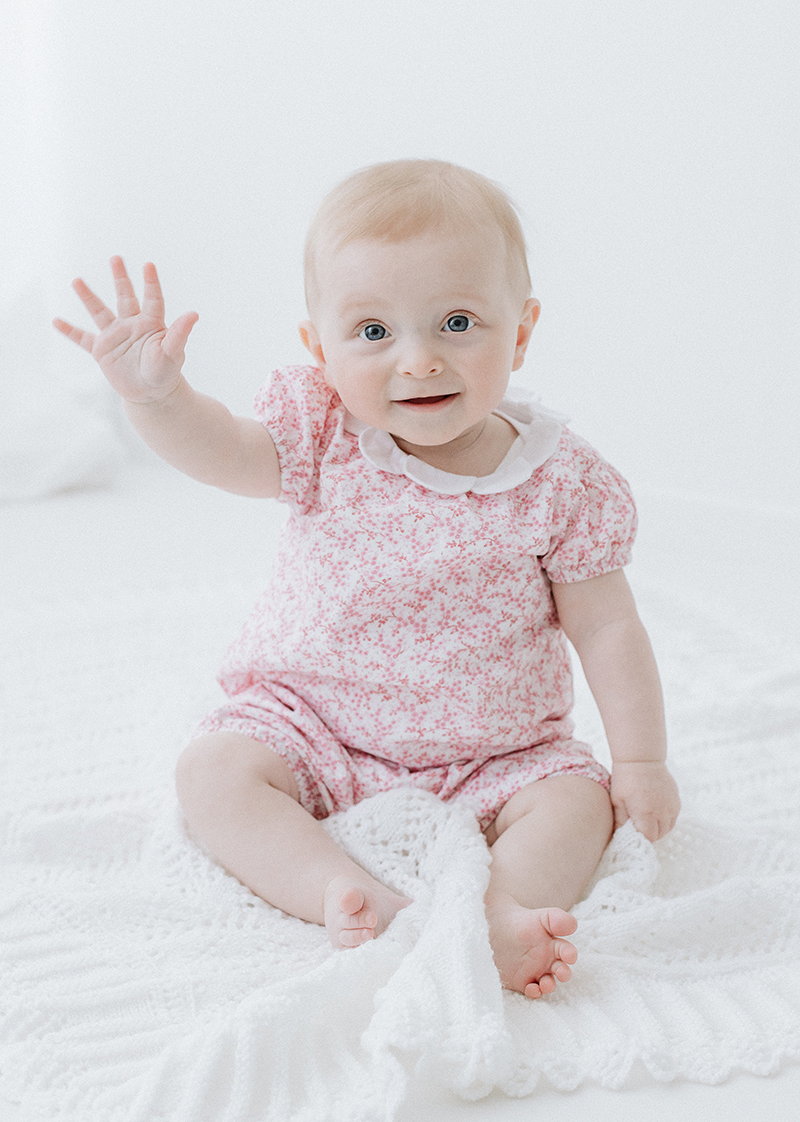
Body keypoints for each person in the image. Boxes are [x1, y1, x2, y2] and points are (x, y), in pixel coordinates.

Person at [54, 158, 680, 999]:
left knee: (576, 807)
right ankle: (346, 896)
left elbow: (607, 627)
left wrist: (639, 760)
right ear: (320, 349)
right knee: (213, 772)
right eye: (374, 333)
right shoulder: (322, 433)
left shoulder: (561, 482)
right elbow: (225, 454)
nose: (418, 361)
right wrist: (158, 401)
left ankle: (501, 913)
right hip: (317, 721)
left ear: (521, 331)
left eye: (457, 322)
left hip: (496, 748)